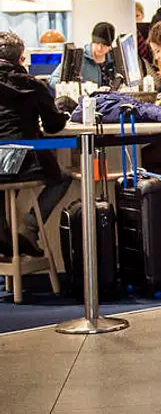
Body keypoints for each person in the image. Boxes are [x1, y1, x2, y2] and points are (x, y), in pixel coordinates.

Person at [0, 31, 71, 255]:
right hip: (21, 161)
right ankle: (29, 227)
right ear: (21, 59)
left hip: (2, 163)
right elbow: (53, 126)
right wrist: (63, 111)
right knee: (63, 177)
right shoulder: (32, 84)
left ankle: (3, 233)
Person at [51, 21, 119, 89]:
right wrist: (77, 87)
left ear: (110, 46)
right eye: (97, 43)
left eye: (104, 45)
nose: (99, 48)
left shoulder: (113, 59)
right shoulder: (78, 58)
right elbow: (52, 80)